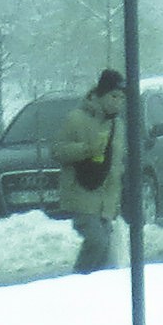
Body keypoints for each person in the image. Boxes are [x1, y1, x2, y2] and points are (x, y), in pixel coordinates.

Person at [49, 68, 129, 272]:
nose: (118, 102)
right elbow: (57, 151)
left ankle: (94, 286)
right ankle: (78, 280)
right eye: (113, 96)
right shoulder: (76, 119)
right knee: (97, 242)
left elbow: (116, 164)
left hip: (107, 198)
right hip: (81, 193)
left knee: (106, 253)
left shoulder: (118, 125)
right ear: (100, 94)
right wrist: (86, 150)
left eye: (121, 98)